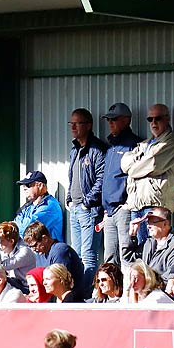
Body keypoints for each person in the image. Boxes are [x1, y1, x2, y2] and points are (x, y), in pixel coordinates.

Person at [120, 103, 174, 260]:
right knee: (139, 252)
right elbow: (124, 163)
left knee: (155, 251)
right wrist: (138, 165)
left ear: (167, 119)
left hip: (155, 206)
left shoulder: (171, 141)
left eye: (158, 118)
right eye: (150, 119)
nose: (154, 123)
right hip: (137, 205)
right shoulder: (144, 144)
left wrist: (134, 169)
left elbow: (153, 164)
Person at [97, 102, 140, 272]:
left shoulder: (134, 144)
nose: (111, 123)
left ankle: (129, 297)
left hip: (124, 210)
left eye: (115, 119)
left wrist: (127, 203)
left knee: (127, 256)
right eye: (109, 120)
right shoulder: (111, 147)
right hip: (109, 212)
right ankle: (111, 296)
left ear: (127, 120)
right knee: (109, 258)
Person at [63, 108, 106, 282]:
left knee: (88, 256)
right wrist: (69, 200)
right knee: (77, 255)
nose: (73, 127)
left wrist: (87, 202)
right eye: (71, 123)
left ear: (88, 125)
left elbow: (102, 179)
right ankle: (80, 291)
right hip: (75, 209)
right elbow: (72, 177)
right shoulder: (74, 150)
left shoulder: (97, 149)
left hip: (90, 210)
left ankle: (87, 295)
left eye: (77, 123)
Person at [13, 171, 65, 252]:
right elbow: (14, 225)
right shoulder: (29, 206)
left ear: (40, 185)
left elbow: (27, 231)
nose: (24, 188)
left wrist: (18, 227)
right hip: (34, 253)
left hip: (48, 255)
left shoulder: (50, 206)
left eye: (28, 185)